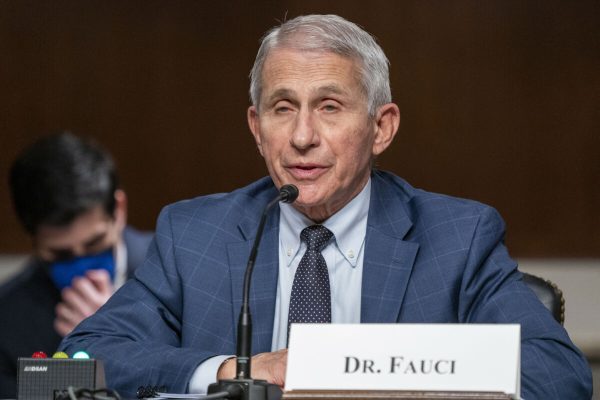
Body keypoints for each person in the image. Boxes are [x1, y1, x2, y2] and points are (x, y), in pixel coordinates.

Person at [60, 15, 592, 399]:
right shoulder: (195, 233)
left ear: (381, 128)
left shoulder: (458, 236)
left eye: (329, 107)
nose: (302, 137)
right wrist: (234, 370)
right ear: (256, 128)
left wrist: (381, 384)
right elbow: (79, 361)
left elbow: (558, 375)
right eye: (282, 108)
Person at [0, 132, 153, 398]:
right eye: (61, 254)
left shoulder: (183, 270)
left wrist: (116, 339)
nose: (82, 263)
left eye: (95, 244)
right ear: (33, 239)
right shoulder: (9, 320)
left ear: (119, 210)